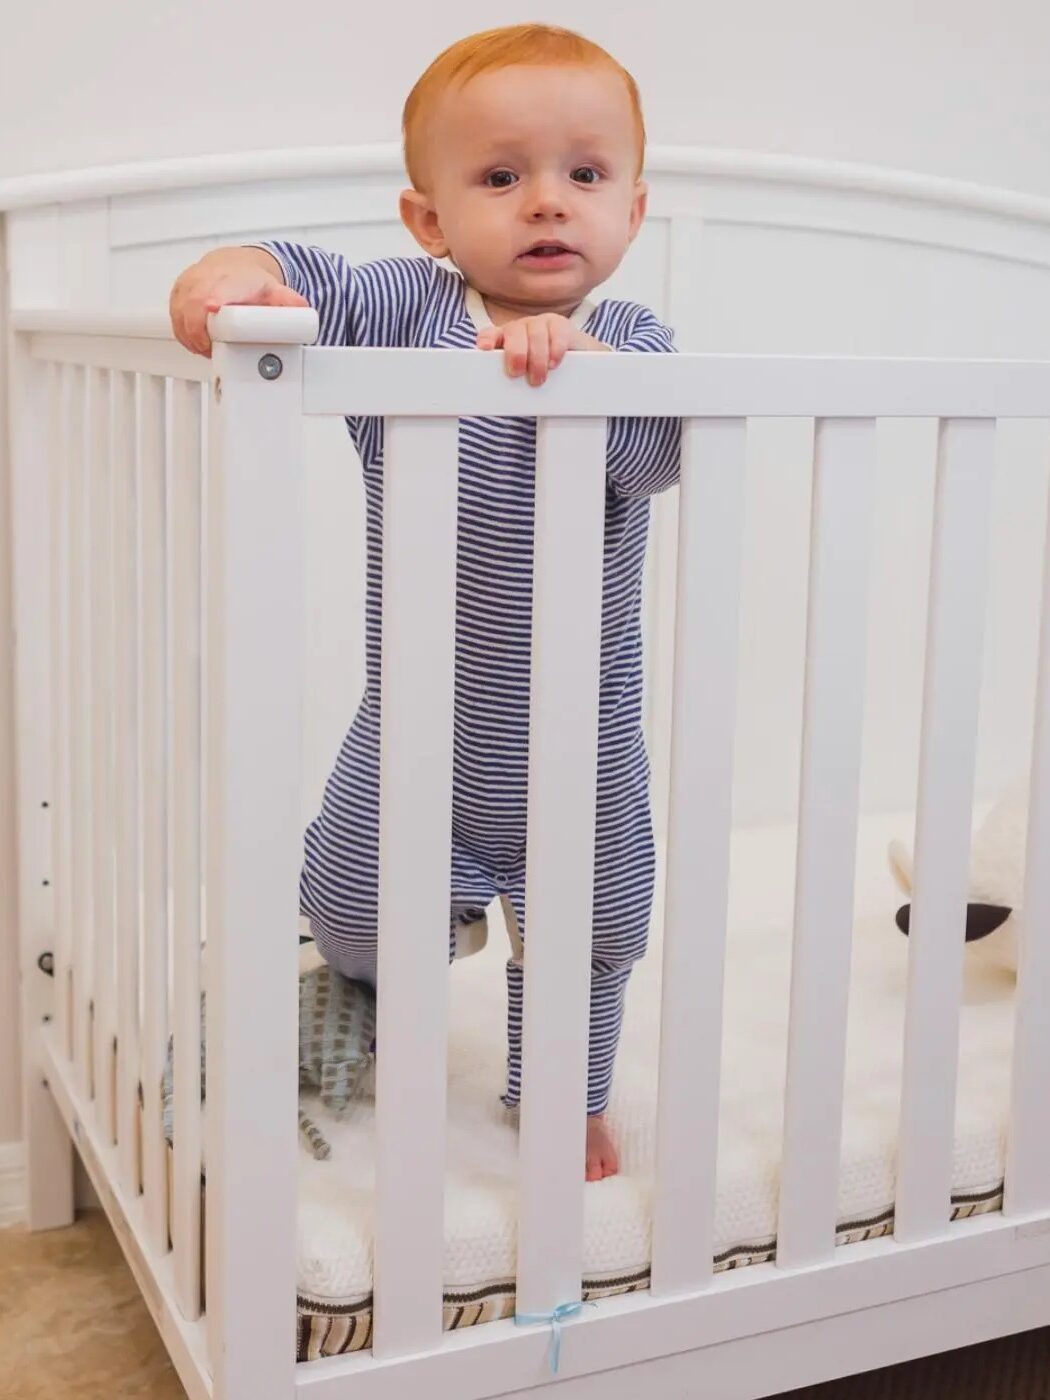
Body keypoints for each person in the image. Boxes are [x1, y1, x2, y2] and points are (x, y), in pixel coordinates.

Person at [169, 22, 681, 1181]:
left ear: (634, 212)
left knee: (591, 936)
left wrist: (586, 372)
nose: (549, 202)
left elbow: (655, 455)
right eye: (503, 177)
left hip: (581, 747)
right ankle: (384, 957)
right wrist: (230, 276)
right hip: (413, 730)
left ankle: (566, 1099)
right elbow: (301, 279)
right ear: (432, 220)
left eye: (585, 175)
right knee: (345, 901)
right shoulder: (407, 307)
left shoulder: (635, 343)